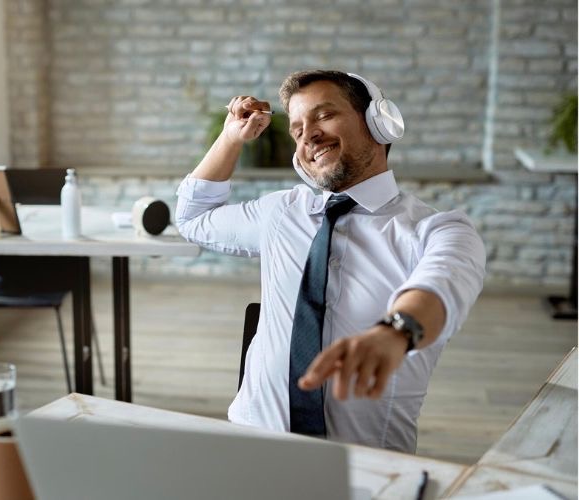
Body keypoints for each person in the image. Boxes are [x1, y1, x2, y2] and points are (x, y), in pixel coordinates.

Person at [175, 70, 485, 453]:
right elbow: (193, 219)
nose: (308, 135)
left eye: (323, 116)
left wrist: (395, 331)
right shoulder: (282, 212)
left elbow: (441, 287)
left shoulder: (437, 230)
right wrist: (230, 139)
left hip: (366, 465)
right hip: (251, 443)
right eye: (297, 128)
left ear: (378, 123)